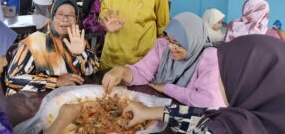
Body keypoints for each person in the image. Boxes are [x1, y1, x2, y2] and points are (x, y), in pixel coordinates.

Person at [118, 35, 285, 134]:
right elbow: (207, 118)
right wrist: (151, 112)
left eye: (226, 74)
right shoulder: (255, 119)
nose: (217, 79)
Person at [102, 12, 225, 108]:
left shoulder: (211, 58)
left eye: (177, 43)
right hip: (158, 110)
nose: (171, 46)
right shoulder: (162, 45)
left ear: (193, 41)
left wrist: (167, 88)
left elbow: (209, 101)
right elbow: (142, 72)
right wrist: (122, 71)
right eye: (169, 40)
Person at [5, 0, 99, 94]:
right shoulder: (35, 42)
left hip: (70, 99)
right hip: (36, 103)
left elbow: (91, 71)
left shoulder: (78, 39)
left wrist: (80, 53)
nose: (65, 19)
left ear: (76, 20)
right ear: (52, 18)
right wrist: (55, 81)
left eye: (71, 15)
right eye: (60, 14)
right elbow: (12, 79)